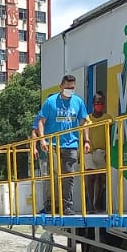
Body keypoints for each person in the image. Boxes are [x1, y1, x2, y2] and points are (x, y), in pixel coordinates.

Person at [36, 74, 89, 215]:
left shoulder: (78, 102)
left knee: (68, 176)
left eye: (72, 88)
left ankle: (66, 206)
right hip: (53, 144)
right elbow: (41, 122)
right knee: (52, 175)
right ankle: (50, 204)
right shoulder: (51, 102)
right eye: (67, 87)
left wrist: (86, 141)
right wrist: (42, 139)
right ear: (61, 86)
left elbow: (83, 122)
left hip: (71, 144)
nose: (70, 90)